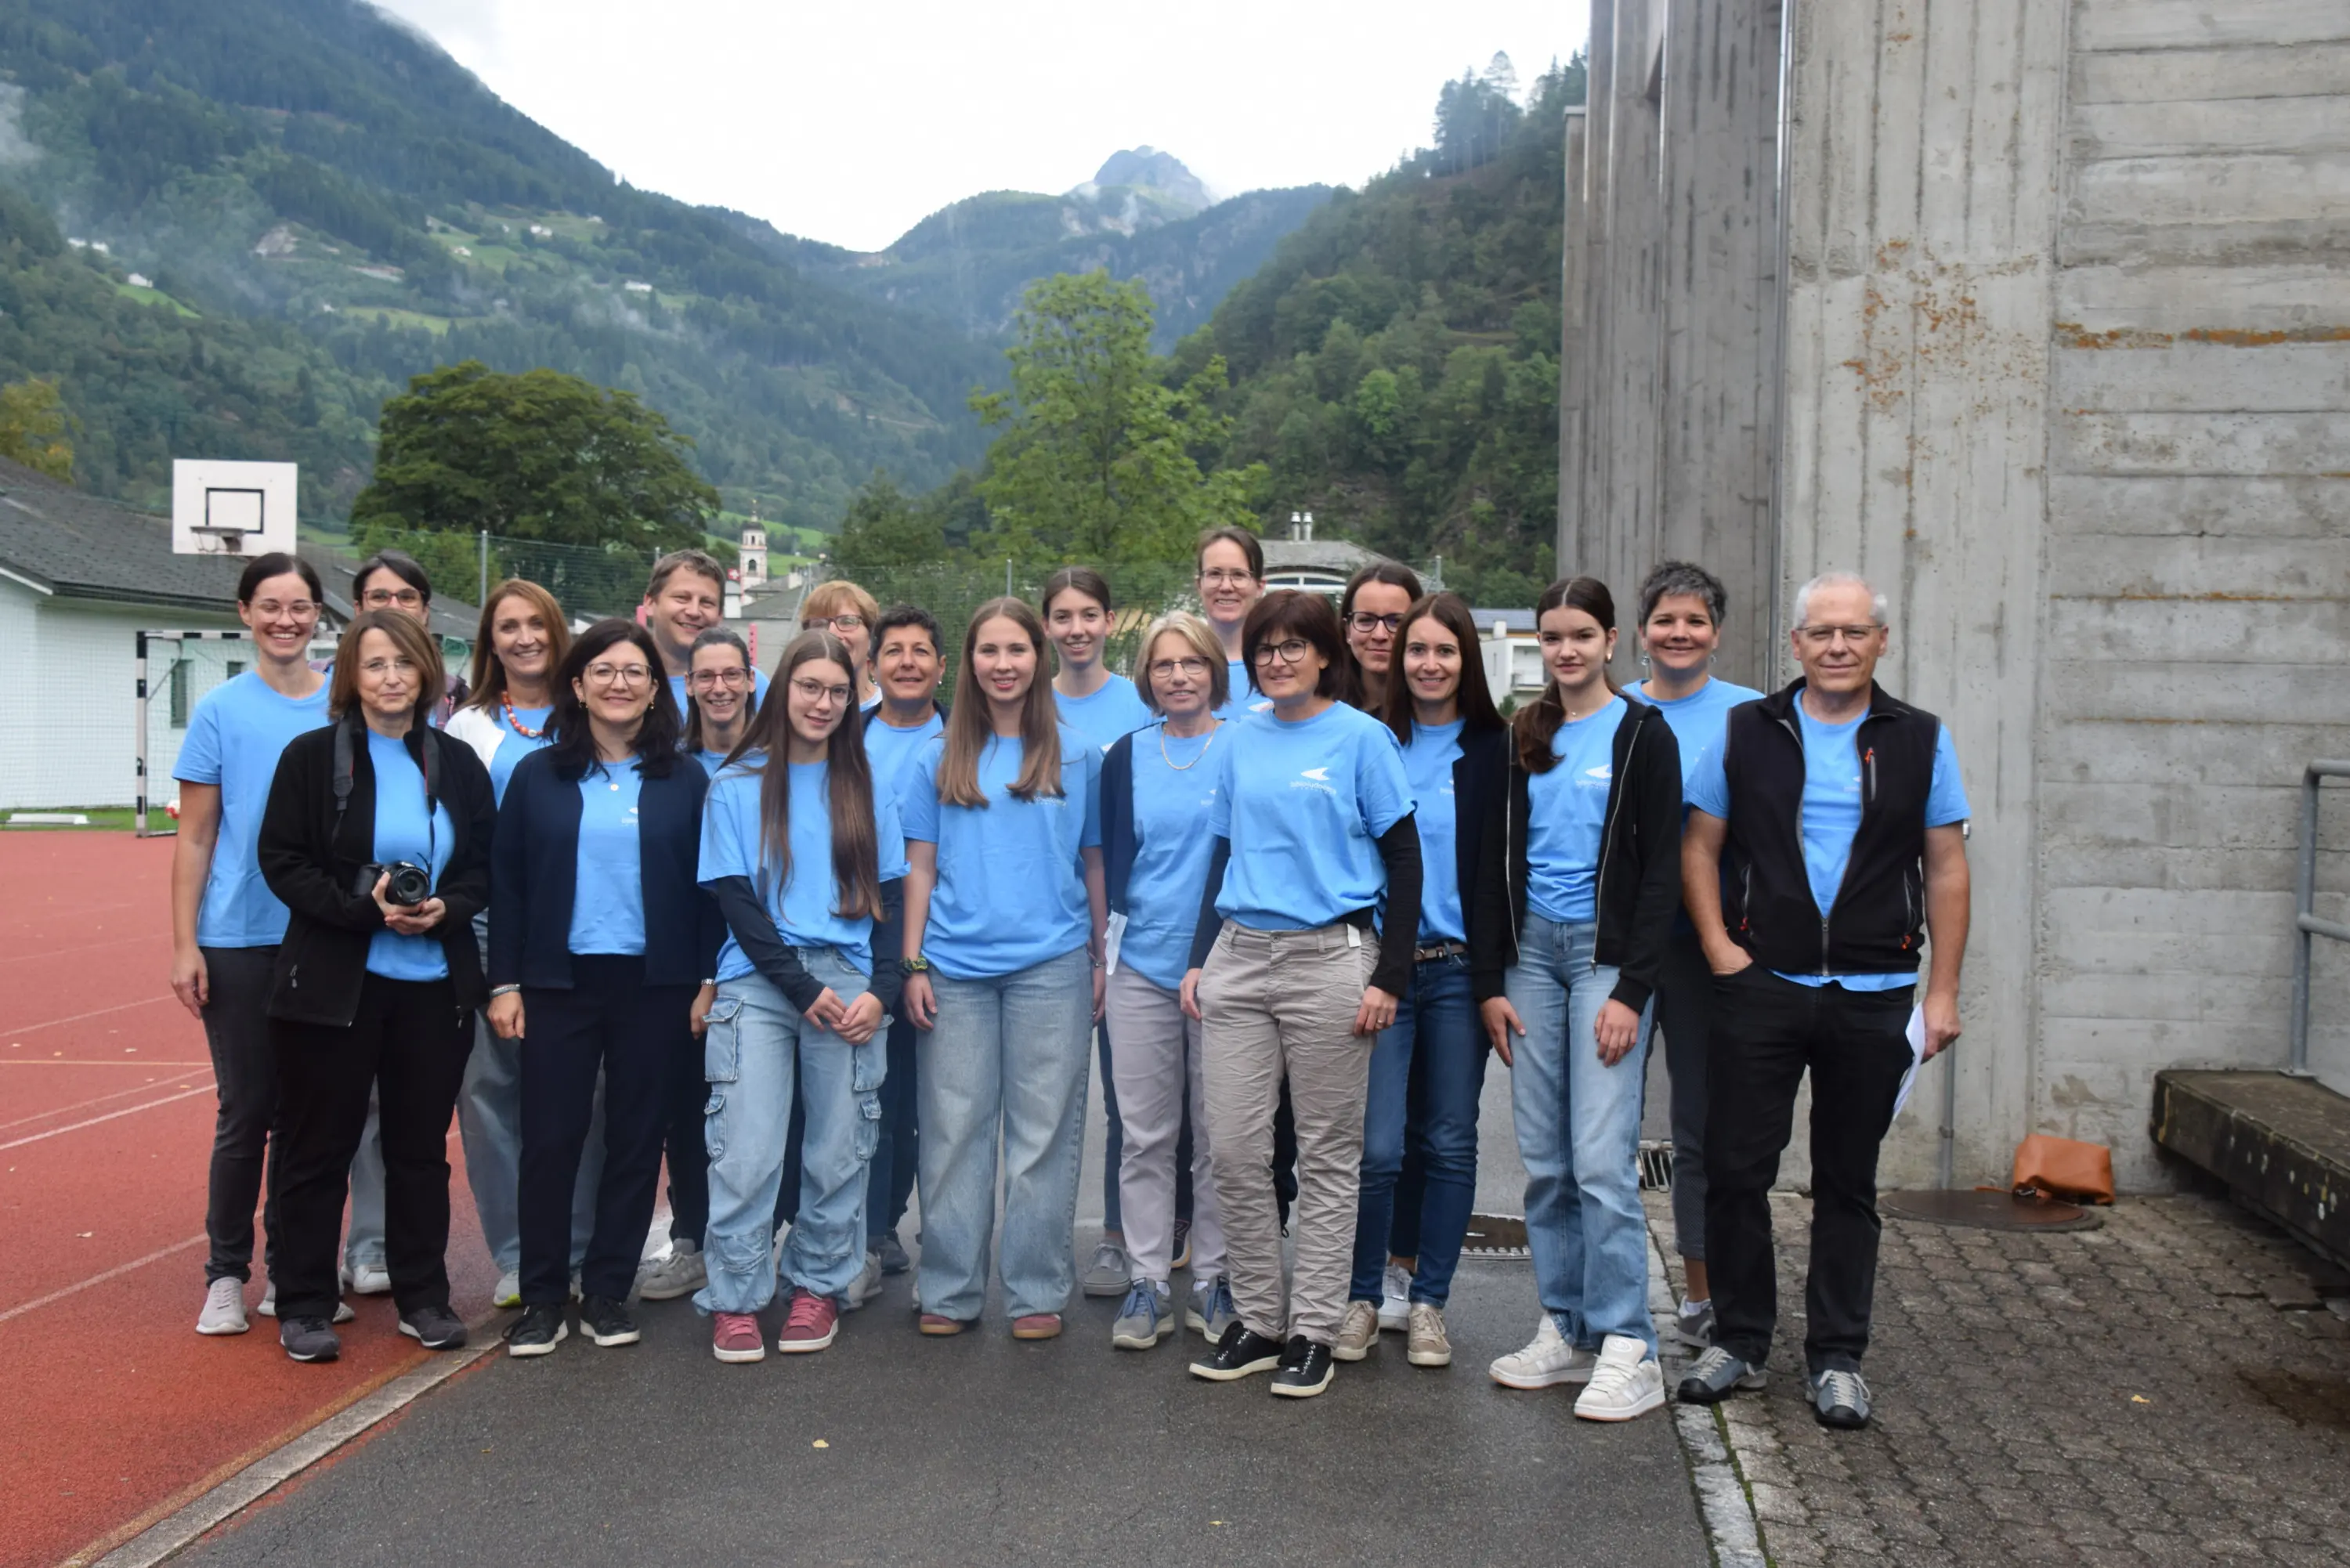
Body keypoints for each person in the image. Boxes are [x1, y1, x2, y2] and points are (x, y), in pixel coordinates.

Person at [1676, 572, 1971, 1431]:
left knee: (1848, 1181)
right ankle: (1739, 1339)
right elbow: (1700, 847)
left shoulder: (1920, 738)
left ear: (1882, 641)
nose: (1838, 646)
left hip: (1875, 993)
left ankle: (1837, 1357)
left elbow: (1947, 867)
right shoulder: (1747, 730)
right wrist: (1722, 951)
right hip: (1764, 985)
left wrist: (1942, 992)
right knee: (1736, 1169)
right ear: (1796, 644)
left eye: (1855, 631)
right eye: (1822, 632)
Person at [1184, 591, 1420, 1399]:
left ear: (1326, 655)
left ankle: (1313, 1328)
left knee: (1326, 1153)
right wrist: (1199, 959)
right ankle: (1258, 1318)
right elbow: (1223, 853)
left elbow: (1405, 859)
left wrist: (1390, 975)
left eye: (1293, 646)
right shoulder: (1239, 738)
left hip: (1331, 957)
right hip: (1240, 954)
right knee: (1234, 1149)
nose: (1277, 660)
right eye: (1264, 648)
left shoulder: (1363, 739)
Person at [255, 610, 495, 1364]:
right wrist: (364, 909)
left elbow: (483, 868)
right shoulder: (310, 758)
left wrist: (444, 908)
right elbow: (283, 861)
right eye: (375, 664)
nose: (392, 677)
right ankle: (303, 1301)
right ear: (350, 677)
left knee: (419, 1152)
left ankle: (423, 1297)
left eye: (404, 662)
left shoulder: (457, 763)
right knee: (317, 1148)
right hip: (335, 988)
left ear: (427, 671)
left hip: (434, 988)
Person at [1474, 576, 1683, 1421]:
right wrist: (1490, 981)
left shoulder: (1644, 734)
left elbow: (1663, 870)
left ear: (1611, 642)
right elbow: (1492, 861)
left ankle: (1630, 1342)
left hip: (1605, 959)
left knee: (1600, 1159)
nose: (1567, 650)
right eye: (1552, 637)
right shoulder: (1526, 732)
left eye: (1582, 636)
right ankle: (1566, 1327)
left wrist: (1633, 988)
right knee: (1548, 1161)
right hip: (1531, 959)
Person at [489, 620, 719, 1357]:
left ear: (655, 691)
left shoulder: (686, 779)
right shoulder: (538, 776)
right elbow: (508, 884)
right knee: (550, 1140)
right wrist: (505, 983)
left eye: (634, 672)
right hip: (558, 982)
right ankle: (542, 1296)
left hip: (657, 984)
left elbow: (710, 888)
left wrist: (707, 979)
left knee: (636, 1138)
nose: (619, 683)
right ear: (579, 686)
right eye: (604, 671)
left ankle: (609, 1291)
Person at [696, 631, 909, 1360]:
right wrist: (798, 985)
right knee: (746, 1149)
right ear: (782, 690)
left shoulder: (867, 785)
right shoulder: (736, 784)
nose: (823, 703)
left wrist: (884, 991)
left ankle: (817, 1286)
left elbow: (889, 897)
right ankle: (736, 1298)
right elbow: (735, 899)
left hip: (848, 981)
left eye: (839, 691)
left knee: (839, 1149)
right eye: (810, 687)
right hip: (759, 981)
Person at [898, 597, 1106, 1340]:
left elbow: (1093, 862)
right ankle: (948, 1287)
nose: (1004, 664)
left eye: (1016, 649)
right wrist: (913, 962)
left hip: (1052, 965)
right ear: (969, 663)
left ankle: (1035, 1289)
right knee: (953, 1131)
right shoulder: (935, 756)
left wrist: (1100, 956)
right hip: (954, 969)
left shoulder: (1078, 755)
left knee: (1042, 1135)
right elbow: (919, 869)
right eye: (989, 650)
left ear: (1038, 657)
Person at [1333, 592, 1505, 1371]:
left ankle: (1430, 1301)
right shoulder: (1371, 739)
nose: (1429, 664)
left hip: (1460, 971)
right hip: (1383, 969)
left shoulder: (1497, 750)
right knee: (1377, 1148)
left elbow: (1503, 873)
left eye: (1445, 650)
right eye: (1416, 650)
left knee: (1449, 1139)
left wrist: (1495, 979)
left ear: (1467, 661)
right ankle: (1363, 1296)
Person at [174, 554, 342, 1336]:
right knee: (247, 1109)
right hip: (239, 935)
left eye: (300, 606)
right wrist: (186, 943)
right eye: (270, 605)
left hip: (324, 934)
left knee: (311, 1117)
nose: (286, 619)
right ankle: (226, 1273)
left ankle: (293, 1271)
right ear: (244, 613)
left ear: (318, 615)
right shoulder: (220, 710)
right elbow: (197, 835)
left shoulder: (343, 707)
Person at [1626, 561, 1765, 1349]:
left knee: (1701, 1126)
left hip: (1707, 950)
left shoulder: (1752, 716)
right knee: (1605, 1125)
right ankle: (1600, 1296)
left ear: (1717, 633)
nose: (1679, 633)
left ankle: (1701, 1295)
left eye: (1695, 621)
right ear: (1641, 632)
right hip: (1620, 948)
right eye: (1665, 620)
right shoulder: (1611, 709)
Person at [445, 580, 593, 1310]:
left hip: (580, 928)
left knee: (585, 1096)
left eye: (537, 623)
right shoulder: (466, 726)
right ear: (490, 641)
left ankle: (580, 1248)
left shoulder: (591, 713)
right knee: (489, 1095)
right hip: (485, 927)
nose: (525, 637)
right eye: (509, 626)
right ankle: (517, 1255)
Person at [1098, 611, 1235, 1350]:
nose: (1178, 676)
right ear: (1146, 678)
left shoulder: (1244, 747)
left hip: (1225, 970)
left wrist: (1214, 960)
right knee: (1146, 1136)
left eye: (1192, 663)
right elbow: (1108, 861)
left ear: (1215, 669)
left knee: (1219, 1136)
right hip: (1141, 971)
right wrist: (1103, 956)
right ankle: (1147, 1280)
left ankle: (1213, 1280)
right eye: (1163, 665)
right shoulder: (1126, 755)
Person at [1043, 565, 1159, 1299]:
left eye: (1090, 614)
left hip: (1127, 924)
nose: (1077, 628)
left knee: (1129, 1101)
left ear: (1111, 621)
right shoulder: (1025, 702)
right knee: (1045, 1104)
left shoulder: (1141, 704)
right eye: (1063, 616)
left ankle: (1120, 1238)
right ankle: (1034, 1244)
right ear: (1046, 625)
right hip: (1049, 928)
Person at [860, 604, 948, 1276]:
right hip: (859, 936)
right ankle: (871, 1229)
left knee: (926, 1100)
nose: (908, 662)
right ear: (873, 666)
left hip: (940, 942)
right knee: (872, 1095)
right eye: (894, 651)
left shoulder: (964, 740)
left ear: (942, 667)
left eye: (921, 651)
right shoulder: (844, 738)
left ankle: (906, 1222)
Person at [643, 550, 768, 714]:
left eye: (706, 602)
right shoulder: (624, 682)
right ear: (650, 603)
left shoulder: (751, 686)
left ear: (720, 614)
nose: (694, 612)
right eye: (682, 598)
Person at [352, 550, 465, 726]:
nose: (394, 607)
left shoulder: (458, 699)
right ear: (358, 609)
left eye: (407, 597)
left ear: (425, 611)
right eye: (379, 597)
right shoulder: (323, 685)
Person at [1194, 526, 1264, 717]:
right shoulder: (1175, 668)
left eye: (1239, 575)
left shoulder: (1279, 666)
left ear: (1260, 586)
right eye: (1215, 574)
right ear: (1199, 584)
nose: (1226, 587)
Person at [1339, 562, 1423, 711]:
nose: (1380, 635)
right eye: (1366, 620)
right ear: (1347, 630)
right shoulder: (1319, 710)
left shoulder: (1437, 716)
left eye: (1396, 621)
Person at [683, 627, 758, 773]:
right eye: (706, 676)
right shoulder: (671, 766)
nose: (719, 689)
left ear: (751, 680)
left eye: (732, 674)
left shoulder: (777, 761)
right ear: (689, 684)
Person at [800, 579, 882, 712]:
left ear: (871, 637)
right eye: (819, 624)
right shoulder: (789, 710)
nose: (832, 633)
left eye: (847, 622)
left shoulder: (895, 711)